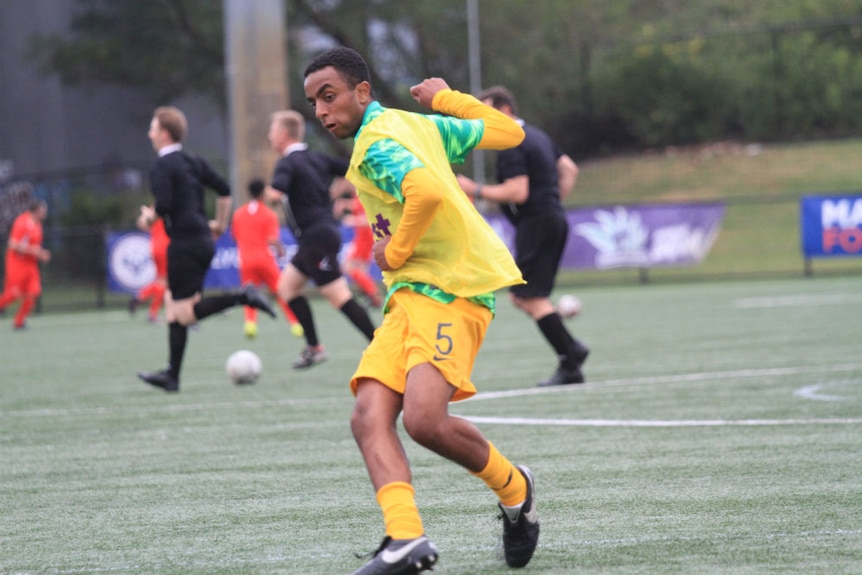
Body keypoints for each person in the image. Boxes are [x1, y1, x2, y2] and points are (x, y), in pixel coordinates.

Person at [303, 46, 539, 574]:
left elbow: (426, 190)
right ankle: (405, 538)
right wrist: (449, 101)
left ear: (362, 92)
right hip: (409, 298)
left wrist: (396, 249)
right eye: (315, 102)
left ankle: (515, 489)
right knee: (368, 417)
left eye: (329, 96)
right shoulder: (419, 125)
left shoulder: (375, 145)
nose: (321, 111)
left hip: (450, 290)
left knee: (426, 421)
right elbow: (509, 132)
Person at [457, 85, 590, 387]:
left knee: (527, 296)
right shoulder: (537, 134)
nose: (481, 123)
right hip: (551, 218)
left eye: (484, 113)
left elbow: (518, 191)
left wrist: (474, 189)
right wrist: (554, 202)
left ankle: (571, 354)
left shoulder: (510, 141)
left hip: (537, 222)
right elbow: (569, 169)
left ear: (504, 111)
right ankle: (570, 355)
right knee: (526, 296)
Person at [137, 106, 276, 393]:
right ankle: (172, 376)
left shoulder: (162, 165)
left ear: (163, 133)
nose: (149, 133)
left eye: (152, 128)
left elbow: (163, 204)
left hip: (185, 245)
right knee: (174, 311)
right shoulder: (193, 160)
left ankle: (242, 296)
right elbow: (224, 189)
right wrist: (219, 225)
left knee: (184, 314)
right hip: (201, 240)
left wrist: (148, 217)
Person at [267, 109, 376, 369]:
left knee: (338, 296)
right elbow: (352, 169)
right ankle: (315, 347)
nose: (269, 137)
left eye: (271, 131)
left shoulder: (287, 162)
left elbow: (274, 194)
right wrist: (333, 192)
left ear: (283, 135)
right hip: (322, 235)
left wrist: (269, 194)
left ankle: (378, 344)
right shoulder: (316, 157)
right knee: (287, 289)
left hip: (316, 238)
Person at [230, 179, 303, 339]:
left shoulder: (238, 214)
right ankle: (295, 324)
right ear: (263, 193)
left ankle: (250, 324)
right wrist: (281, 250)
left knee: (249, 293)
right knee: (282, 291)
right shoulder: (269, 214)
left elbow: (235, 236)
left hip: (246, 260)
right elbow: (271, 239)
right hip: (265, 260)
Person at [0, 198, 50, 330]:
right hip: (17, 264)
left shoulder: (38, 225)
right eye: (43, 209)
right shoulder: (22, 222)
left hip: (30, 265)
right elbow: (13, 244)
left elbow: (34, 247)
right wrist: (34, 251)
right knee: (13, 294)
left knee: (34, 292)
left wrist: (40, 253)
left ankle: (19, 322)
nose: (45, 212)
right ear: (37, 210)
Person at [333, 187, 383, 308]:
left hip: (365, 239)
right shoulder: (358, 196)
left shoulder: (364, 195)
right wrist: (344, 204)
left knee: (350, 267)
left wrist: (353, 220)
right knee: (359, 269)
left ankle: (374, 294)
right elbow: (356, 205)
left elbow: (371, 220)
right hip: (362, 238)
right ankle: (370, 295)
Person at [128, 204, 169, 323]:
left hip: (155, 245)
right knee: (164, 283)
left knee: (163, 281)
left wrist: (150, 221)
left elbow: (141, 223)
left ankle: (141, 297)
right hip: (165, 247)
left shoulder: (155, 207)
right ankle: (151, 311)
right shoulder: (169, 205)